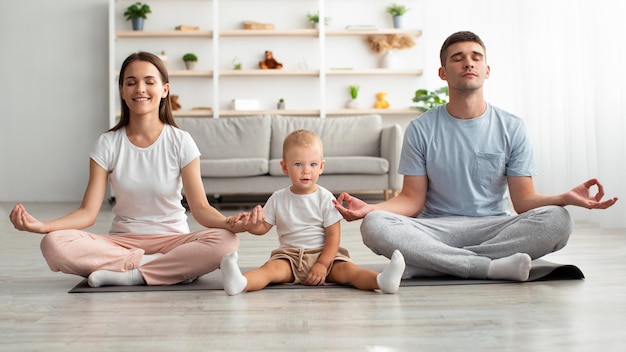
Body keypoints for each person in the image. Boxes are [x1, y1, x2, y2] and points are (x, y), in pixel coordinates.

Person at [333, 31, 618, 282]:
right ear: (443, 72)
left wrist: (564, 197)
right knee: (374, 224)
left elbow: (523, 201)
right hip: (436, 228)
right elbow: (412, 200)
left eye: (475, 57)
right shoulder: (421, 128)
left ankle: (432, 264)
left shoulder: (512, 126)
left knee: (558, 220)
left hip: (493, 227)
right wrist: (369, 210)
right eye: (457, 58)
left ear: (487, 69)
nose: (468, 62)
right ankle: (488, 267)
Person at [9, 51, 245, 287]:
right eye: (131, 83)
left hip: (174, 240)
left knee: (226, 240)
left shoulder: (181, 141)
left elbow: (201, 208)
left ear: (165, 89)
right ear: (122, 91)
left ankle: (130, 272)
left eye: (149, 82)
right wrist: (41, 226)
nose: (140, 89)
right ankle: (166, 268)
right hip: (121, 243)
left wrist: (231, 223)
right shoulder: (108, 143)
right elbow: (87, 213)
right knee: (54, 243)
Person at [219, 129, 406, 295]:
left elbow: (333, 238)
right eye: (298, 164)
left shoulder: (325, 198)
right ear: (285, 167)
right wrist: (250, 225)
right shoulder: (277, 198)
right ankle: (240, 283)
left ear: (321, 167)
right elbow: (263, 228)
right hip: (290, 257)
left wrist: (322, 264)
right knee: (269, 270)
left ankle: (382, 281)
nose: (306, 171)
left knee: (349, 272)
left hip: (325, 256)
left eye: (313, 165)